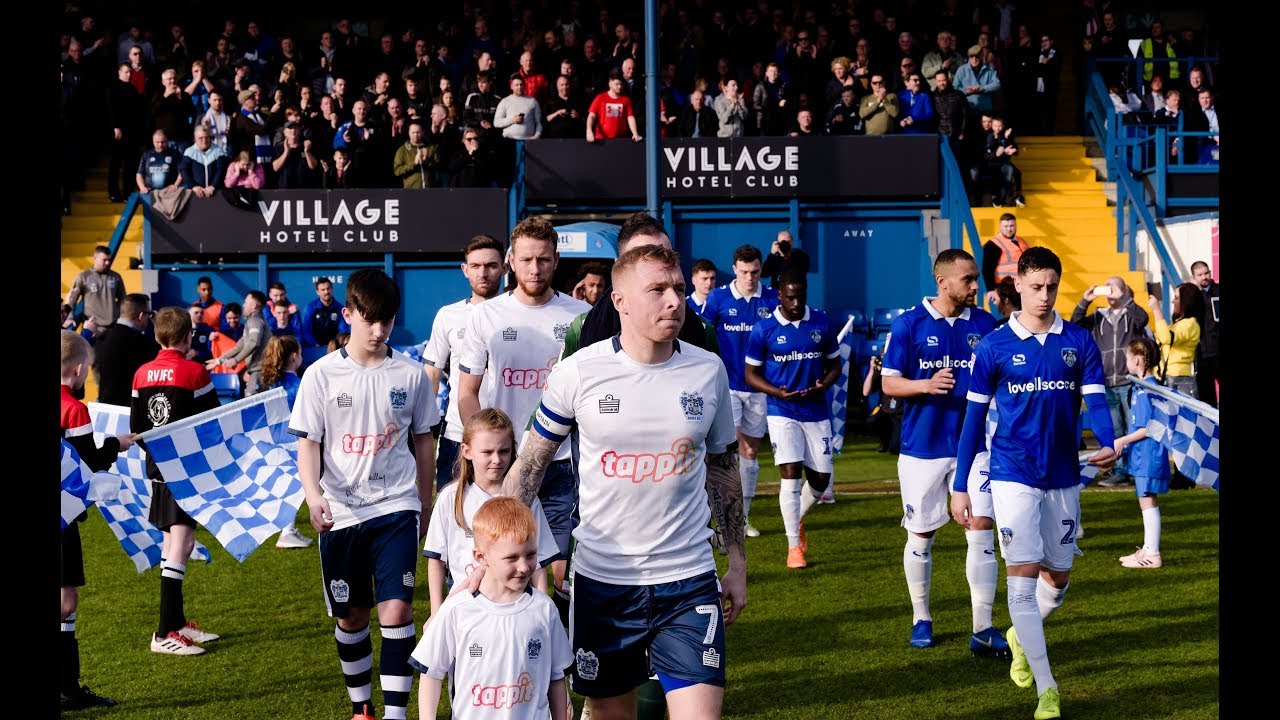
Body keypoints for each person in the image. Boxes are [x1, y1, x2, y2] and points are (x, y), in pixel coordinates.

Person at [501, 244, 746, 720]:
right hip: (603, 583)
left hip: (689, 580)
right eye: (658, 290)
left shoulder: (707, 369)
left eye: (678, 288)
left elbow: (722, 468)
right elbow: (530, 466)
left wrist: (736, 560)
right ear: (621, 302)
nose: (675, 300)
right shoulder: (578, 371)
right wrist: (487, 552)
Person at [952, 247, 1118, 720]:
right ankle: (1048, 689)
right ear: (1018, 286)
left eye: (1051, 287)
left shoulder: (1079, 343)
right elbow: (973, 420)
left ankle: (1018, 635)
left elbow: (1098, 404)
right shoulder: (994, 347)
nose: (1044, 296)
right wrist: (961, 484)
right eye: (1036, 287)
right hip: (1012, 473)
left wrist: (1106, 443)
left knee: (1058, 578)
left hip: (1064, 475)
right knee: (1022, 578)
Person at [289, 268, 439, 720]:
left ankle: (395, 714)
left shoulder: (412, 376)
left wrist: (426, 502)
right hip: (342, 513)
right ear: (347, 313)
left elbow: (424, 441)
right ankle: (362, 708)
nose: (378, 330)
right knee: (351, 617)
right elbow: (308, 443)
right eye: (369, 319)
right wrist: (314, 496)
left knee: (395, 610)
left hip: (396, 505)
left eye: (387, 321)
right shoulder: (321, 375)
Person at [457, 217, 591, 604]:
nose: (535, 269)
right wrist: (484, 449)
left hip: (563, 461)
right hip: (507, 464)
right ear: (512, 261)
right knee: (509, 568)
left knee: (563, 573)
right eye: (528, 259)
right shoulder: (486, 316)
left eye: (544, 260)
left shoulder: (578, 317)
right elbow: (468, 392)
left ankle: (566, 659)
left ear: (556, 260)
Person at [880, 249, 1007, 653]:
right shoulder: (909, 324)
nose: (975, 286)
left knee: (981, 528)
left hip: (976, 448)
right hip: (923, 448)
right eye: (968, 279)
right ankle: (921, 617)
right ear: (943, 281)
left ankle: (983, 627)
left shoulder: (986, 325)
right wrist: (924, 385)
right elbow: (888, 384)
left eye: (976, 279)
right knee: (922, 534)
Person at [412, 496, 572, 720]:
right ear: (480, 557)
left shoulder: (545, 609)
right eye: (512, 558)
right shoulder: (457, 610)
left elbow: (556, 677)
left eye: (531, 555)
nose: (524, 566)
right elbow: (431, 672)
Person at [132, 307, 224, 656]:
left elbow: (139, 427)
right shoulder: (195, 372)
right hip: (186, 469)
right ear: (188, 337)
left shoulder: (141, 374)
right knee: (182, 546)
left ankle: (179, 623)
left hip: (157, 466)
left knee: (174, 543)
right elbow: (215, 422)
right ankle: (163, 633)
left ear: (157, 337)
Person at [744, 270, 841, 568]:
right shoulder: (764, 329)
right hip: (781, 410)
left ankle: (795, 519)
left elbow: (835, 365)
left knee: (821, 481)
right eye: (790, 297)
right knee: (790, 475)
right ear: (779, 296)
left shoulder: (821, 323)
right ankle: (794, 548)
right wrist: (777, 392)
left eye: (801, 296)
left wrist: (824, 384)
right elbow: (750, 374)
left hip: (816, 411)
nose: (796, 302)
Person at [422, 409, 561, 614]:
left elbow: (538, 560)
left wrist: (543, 608)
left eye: (503, 451)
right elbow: (436, 559)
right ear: (467, 451)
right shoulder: (450, 498)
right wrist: (436, 612)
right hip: (464, 605)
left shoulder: (526, 499)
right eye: (487, 452)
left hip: (515, 605)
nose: (496, 459)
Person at [61, 332, 133, 709]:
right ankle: (68, 690)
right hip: (62, 517)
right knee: (65, 601)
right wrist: (115, 445)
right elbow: (88, 463)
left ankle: (68, 690)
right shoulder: (74, 409)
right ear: (78, 369)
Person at [700, 245, 780, 538]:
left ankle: (743, 516)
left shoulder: (771, 298)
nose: (750, 277)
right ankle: (722, 515)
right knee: (725, 451)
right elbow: (704, 336)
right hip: (727, 386)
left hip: (758, 388)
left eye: (755, 272)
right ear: (734, 269)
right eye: (744, 272)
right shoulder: (718, 298)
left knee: (749, 451)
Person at [423, 235, 507, 491]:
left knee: (505, 521)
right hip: (457, 435)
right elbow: (432, 373)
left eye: (491, 266)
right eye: (476, 266)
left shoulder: (518, 313)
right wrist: (422, 428)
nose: (483, 273)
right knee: (453, 514)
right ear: (465, 269)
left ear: (505, 267)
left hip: (506, 439)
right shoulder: (448, 316)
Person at [1070, 277, 1149, 487]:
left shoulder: (1131, 315)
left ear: (1124, 290)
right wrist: (1084, 302)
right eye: (1108, 287)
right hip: (1107, 381)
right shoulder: (1098, 316)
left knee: (1134, 428)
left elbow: (1144, 318)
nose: (1110, 291)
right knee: (1115, 429)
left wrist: (1124, 299)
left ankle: (1138, 469)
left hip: (1129, 381)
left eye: (1115, 287)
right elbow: (1075, 324)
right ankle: (1120, 471)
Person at [1111, 337, 1171, 569]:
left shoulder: (1148, 390)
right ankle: (1147, 548)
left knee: (1148, 502)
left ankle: (1153, 554)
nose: (1125, 362)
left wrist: (1122, 441)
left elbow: (1148, 428)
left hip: (1148, 454)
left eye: (1127, 358)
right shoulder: (1141, 388)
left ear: (1137, 360)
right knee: (1144, 501)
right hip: (1141, 454)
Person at [260, 334, 313, 549]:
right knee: (296, 486)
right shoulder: (298, 385)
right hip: (294, 442)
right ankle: (287, 531)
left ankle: (287, 530)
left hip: (274, 440)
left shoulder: (273, 383)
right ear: (294, 357)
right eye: (300, 353)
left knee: (288, 485)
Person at [92, 293, 161, 405]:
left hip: (105, 403)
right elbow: (162, 357)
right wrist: (159, 327)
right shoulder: (139, 341)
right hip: (127, 407)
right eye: (149, 314)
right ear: (141, 315)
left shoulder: (103, 337)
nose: (149, 318)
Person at [206, 290, 270, 395]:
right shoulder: (252, 322)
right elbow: (239, 346)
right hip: (256, 370)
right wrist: (219, 361)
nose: (243, 305)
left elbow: (253, 343)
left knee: (252, 400)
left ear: (253, 306)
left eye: (245, 302)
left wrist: (235, 360)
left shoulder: (255, 321)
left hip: (259, 370)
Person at [1148, 283, 1203, 399]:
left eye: (1177, 298)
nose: (1173, 301)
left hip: (1179, 379)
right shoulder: (1178, 323)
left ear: (1186, 301)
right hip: (1168, 376)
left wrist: (1156, 310)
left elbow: (1166, 338)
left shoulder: (1190, 324)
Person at [65, 246, 126, 331]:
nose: (107, 263)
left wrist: (119, 317)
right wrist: (69, 318)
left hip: (113, 327)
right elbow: (72, 299)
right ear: (95, 259)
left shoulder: (115, 277)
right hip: (92, 328)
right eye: (104, 260)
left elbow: (123, 300)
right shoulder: (83, 277)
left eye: (109, 260)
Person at [982, 214, 1030, 308]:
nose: (1009, 229)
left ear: (1016, 225)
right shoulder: (993, 245)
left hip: (1021, 286)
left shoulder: (1022, 241)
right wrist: (991, 289)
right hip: (1005, 289)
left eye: (1012, 226)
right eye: (1006, 226)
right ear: (1000, 227)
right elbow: (987, 269)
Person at [1189, 261, 1219, 406]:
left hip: (1219, 352)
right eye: (1200, 275)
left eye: (1206, 273)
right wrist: (1193, 291)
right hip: (1201, 356)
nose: (1204, 277)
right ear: (1194, 277)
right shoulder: (1191, 295)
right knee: (1207, 398)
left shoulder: (1218, 291)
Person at [586, 72, 642, 142]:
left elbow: (630, 117)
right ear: (610, 84)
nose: (619, 86)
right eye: (617, 84)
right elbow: (591, 116)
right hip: (602, 139)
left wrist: (635, 133)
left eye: (621, 84)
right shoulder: (600, 98)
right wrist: (589, 130)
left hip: (621, 139)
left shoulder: (626, 100)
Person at [301, 276, 351, 348]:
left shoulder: (340, 308)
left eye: (328, 288)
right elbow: (306, 332)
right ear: (317, 292)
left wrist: (334, 345)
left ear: (332, 289)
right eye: (323, 289)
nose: (326, 292)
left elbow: (343, 331)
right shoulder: (310, 308)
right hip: (315, 349)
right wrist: (316, 345)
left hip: (334, 348)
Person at [494, 74, 543, 140]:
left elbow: (539, 122)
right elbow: (496, 123)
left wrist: (536, 136)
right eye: (516, 85)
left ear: (524, 85)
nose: (519, 87)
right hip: (509, 140)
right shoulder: (505, 101)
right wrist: (512, 120)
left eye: (521, 84)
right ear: (511, 86)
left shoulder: (532, 101)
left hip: (528, 140)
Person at [136, 129, 183, 195]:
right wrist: (142, 187)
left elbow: (182, 172)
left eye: (162, 142)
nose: (160, 145)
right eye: (157, 142)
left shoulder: (175, 154)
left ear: (167, 141)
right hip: (149, 192)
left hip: (169, 193)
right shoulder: (146, 154)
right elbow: (139, 174)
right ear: (153, 142)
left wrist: (175, 185)